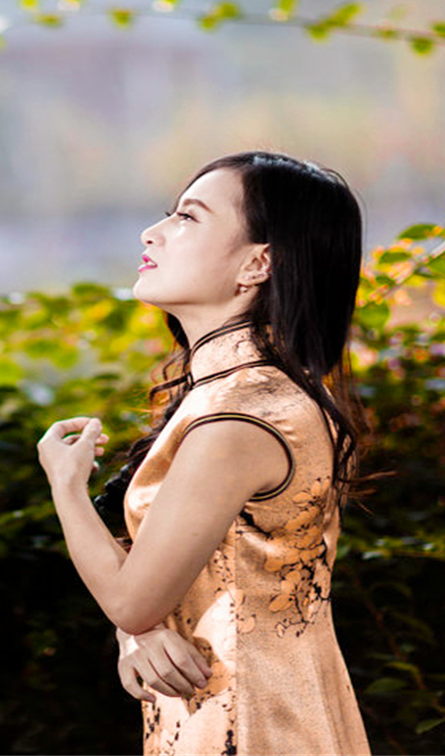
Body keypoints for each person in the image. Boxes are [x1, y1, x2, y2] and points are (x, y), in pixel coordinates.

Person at [37, 151, 372, 755]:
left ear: (257, 262)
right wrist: (139, 632)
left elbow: (133, 597)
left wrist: (66, 486)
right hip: (250, 705)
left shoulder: (241, 417)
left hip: (248, 723)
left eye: (189, 218)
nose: (153, 232)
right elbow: (164, 587)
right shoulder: (247, 392)